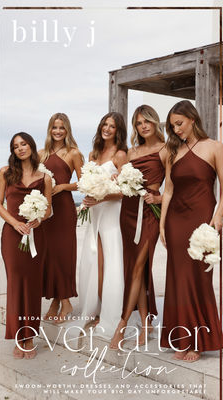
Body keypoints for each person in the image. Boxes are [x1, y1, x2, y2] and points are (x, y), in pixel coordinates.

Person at [160, 100, 223, 362]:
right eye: (172, 126)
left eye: (179, 123)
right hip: (176, 219)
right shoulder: (173, 151)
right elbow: (168, 190)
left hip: (203, 222)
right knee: (178, 278)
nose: (176, 129)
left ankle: (198, 340)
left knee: (199, 278)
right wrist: (164, 224)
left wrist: (218, 217)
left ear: (192, 119)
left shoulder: (215, 147)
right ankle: (182, 337)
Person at [110, 105, 167, 349]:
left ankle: (122, 325)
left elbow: (176, 186)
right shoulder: (130, 153)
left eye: (147, 122)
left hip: (150, 214)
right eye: (139, 123)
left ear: (155, 123)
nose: (143, 126)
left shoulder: (166, 150)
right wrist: (117, 180)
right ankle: (145, 322)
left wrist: (160, 198)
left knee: (137, 267)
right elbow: (123, 186)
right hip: (129, 213)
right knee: (137, 269)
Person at [0, 132, 52, 359]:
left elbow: (48, 209)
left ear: (31, 146)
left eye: (24, 144)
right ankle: (20, 336)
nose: (20, 148)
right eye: (16, 146)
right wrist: (16, 222)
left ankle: (31, 335)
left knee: (33, 285)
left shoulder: (44, 177)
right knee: (17, 284)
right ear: (13, 151)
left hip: (37, 236)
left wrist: (40, 218)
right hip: (13, 234)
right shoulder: (5, 173)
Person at [78, 112, 127, 340]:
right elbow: (89, 183)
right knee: (94, 261)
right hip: (94, 213)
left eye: (112, 126)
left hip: (110, 214)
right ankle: (95, 309)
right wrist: (89, 197)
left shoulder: (120, 155)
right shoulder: (93, 154)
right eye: (105, 124)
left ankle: (110, 315)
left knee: (110, 263)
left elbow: (127, 191)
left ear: (119, 131)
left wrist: (101, 198)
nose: (107, 129)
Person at [39, 113, 83, 323]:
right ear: (50, 129)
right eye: (54, 127)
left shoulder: (74, 153)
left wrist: (64, 186)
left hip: (64, 209)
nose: (57, 131)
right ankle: (55, 300)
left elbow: (85, 183)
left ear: (67, 130)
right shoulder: (40, 154)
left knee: (63, 255)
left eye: (61, 128)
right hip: (46, 211)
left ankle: (65, 301)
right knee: (50, 256)